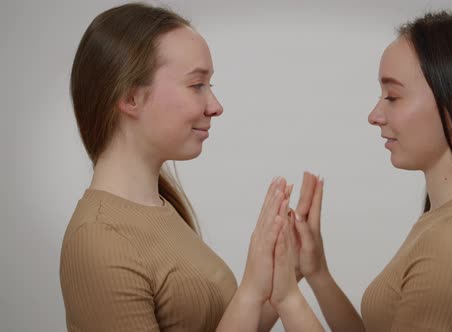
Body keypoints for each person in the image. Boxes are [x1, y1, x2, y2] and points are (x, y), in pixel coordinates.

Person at [59, 3, 322, 331]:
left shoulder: (161, 209)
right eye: (197, 85)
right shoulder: (98, 239)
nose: (215, 106)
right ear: (130, 98)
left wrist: (285, 269)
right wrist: (250, 292)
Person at [289, 9, 452, 332]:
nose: (374, 115)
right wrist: (317, 273)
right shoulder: (448, 218)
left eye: (393, 97)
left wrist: (285, 298)